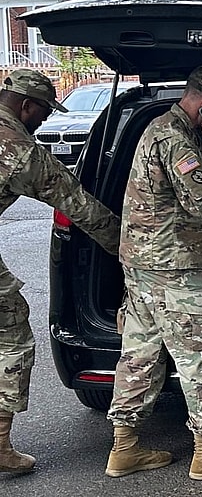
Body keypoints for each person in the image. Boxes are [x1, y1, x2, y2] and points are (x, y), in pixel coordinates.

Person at [105, 66, 202, 480]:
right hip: (173, 269)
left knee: (140, 353)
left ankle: (124, 447)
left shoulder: (168, 130)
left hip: (142, 265)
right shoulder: (177, 140)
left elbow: (199, 174)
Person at [0, 69, 120, 473]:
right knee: (11, 337)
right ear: (26, 105)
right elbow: (80, 206)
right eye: (43, 113)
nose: (44, 121)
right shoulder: (19, 151)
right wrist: (130, 249)